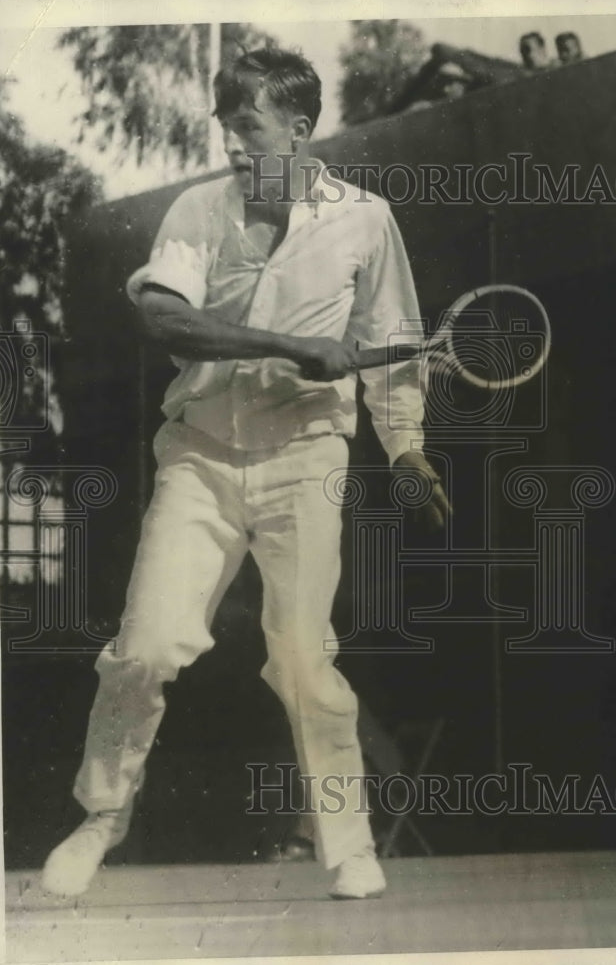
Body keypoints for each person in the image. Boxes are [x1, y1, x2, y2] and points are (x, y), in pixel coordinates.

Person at [41, 46, 450, 901]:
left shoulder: (366, 221)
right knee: (144, 649)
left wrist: (406, 447)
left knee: (303, 658)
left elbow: (394, 343)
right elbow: (164, 319)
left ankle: (348, 846)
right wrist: (292, 344)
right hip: (198, 457)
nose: (230, 140)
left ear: (298, 131)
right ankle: (99, 819)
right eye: (223, 123)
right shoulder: (196, 211)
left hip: (308, 458)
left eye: (247, 124)